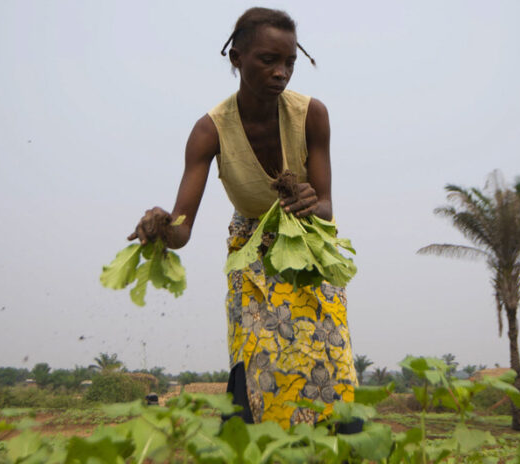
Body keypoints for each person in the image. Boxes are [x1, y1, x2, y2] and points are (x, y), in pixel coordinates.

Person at [127, 7, 359, 431]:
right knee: (260, 365)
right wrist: (160, 224)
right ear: (236, 58)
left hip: (309, 255)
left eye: (288, 62)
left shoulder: (312, 115)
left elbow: (326, 207)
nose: (281, 73)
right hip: (251, 258)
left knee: (326, 362)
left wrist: (310, 200)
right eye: (267, 60)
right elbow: (181, 230)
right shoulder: (209, 131)